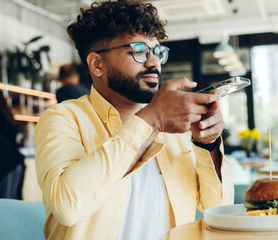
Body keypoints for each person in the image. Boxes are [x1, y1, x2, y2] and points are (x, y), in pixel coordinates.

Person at [34, 1, 233, 239]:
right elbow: (68, 206)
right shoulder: (62, 118)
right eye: (139, 51)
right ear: (97, 64)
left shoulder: (172, 127)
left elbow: (217, 208)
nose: (154, 63)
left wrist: (207, 144)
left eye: (158, 52)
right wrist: (151, 120)